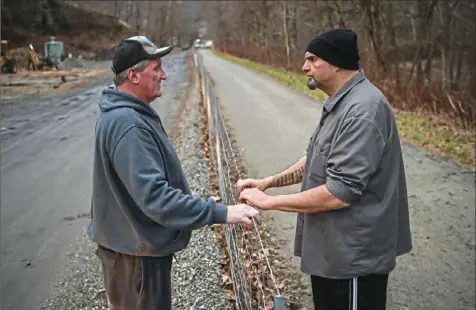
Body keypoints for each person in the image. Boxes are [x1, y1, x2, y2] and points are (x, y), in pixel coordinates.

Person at [236, 29, 412, 310]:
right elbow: (313, 158)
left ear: (337, 62)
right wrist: (269, 181)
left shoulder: (363, 110)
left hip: (353, 260)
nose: (304, 67)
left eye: (313, 59)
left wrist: (269, 203)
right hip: (334, 255)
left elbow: (339, 193)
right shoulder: (343, 103)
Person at [87, 36, 259, 310]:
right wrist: (223, 213)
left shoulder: (127, 115)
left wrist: (200, 205)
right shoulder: (128, 124)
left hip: (132, 248)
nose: (164, 75)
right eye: (156, 68)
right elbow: (155, 198)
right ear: (133, 75)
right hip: (135, 258)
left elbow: (140, 190)